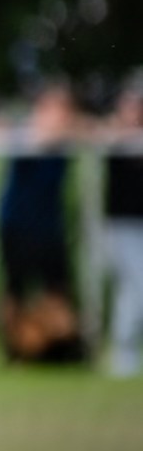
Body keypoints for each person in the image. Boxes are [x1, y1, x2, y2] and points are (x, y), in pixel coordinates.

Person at [0, 81, 82, 363]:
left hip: (50, 228)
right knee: (14, 292)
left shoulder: (67, 137)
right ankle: (11, 351)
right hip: (16, 225)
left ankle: (53, 350)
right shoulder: (24, 135)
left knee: (58, 294)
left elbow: (95, 128)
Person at [101, 73, 143, 378]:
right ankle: (123, 351)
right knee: (136, 287)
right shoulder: (112, 137)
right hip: (121, 225)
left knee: (131, 290)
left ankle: (125, 353)